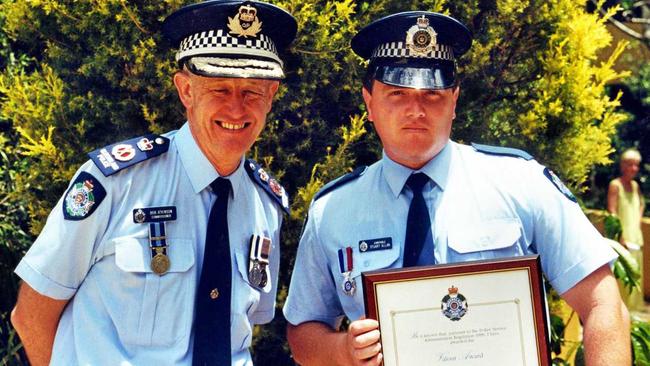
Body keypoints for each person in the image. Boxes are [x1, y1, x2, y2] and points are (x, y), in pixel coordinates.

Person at [284, 11, 630, 366]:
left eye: (432, 94)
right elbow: (302, 331)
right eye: (397, 93)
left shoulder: (519, 183)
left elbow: (602, 302)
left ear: (454, 101)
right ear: (369, 103)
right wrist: (343, 351)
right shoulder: (333, 209)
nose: (415, 109)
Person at [10, 1, 295, 365]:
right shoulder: (115, 184)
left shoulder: (265, 206)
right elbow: (32, 314)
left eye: (252, 92)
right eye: (219, 89)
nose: (237, 109)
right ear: (186, 91)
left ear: (270, 97)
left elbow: (242, 331)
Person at [608, 148, 645, 309]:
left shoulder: (635, 186)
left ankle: (633, 318)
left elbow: (641, 204)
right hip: (622, 240)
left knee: (637, 279)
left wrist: (636, 221)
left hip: (636, 238)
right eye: (630, 164)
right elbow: (612, 211)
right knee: (623, 281)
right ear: (622, 165)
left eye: (636, 165)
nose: (634, 169)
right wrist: (621, 235)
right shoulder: (615, 185)